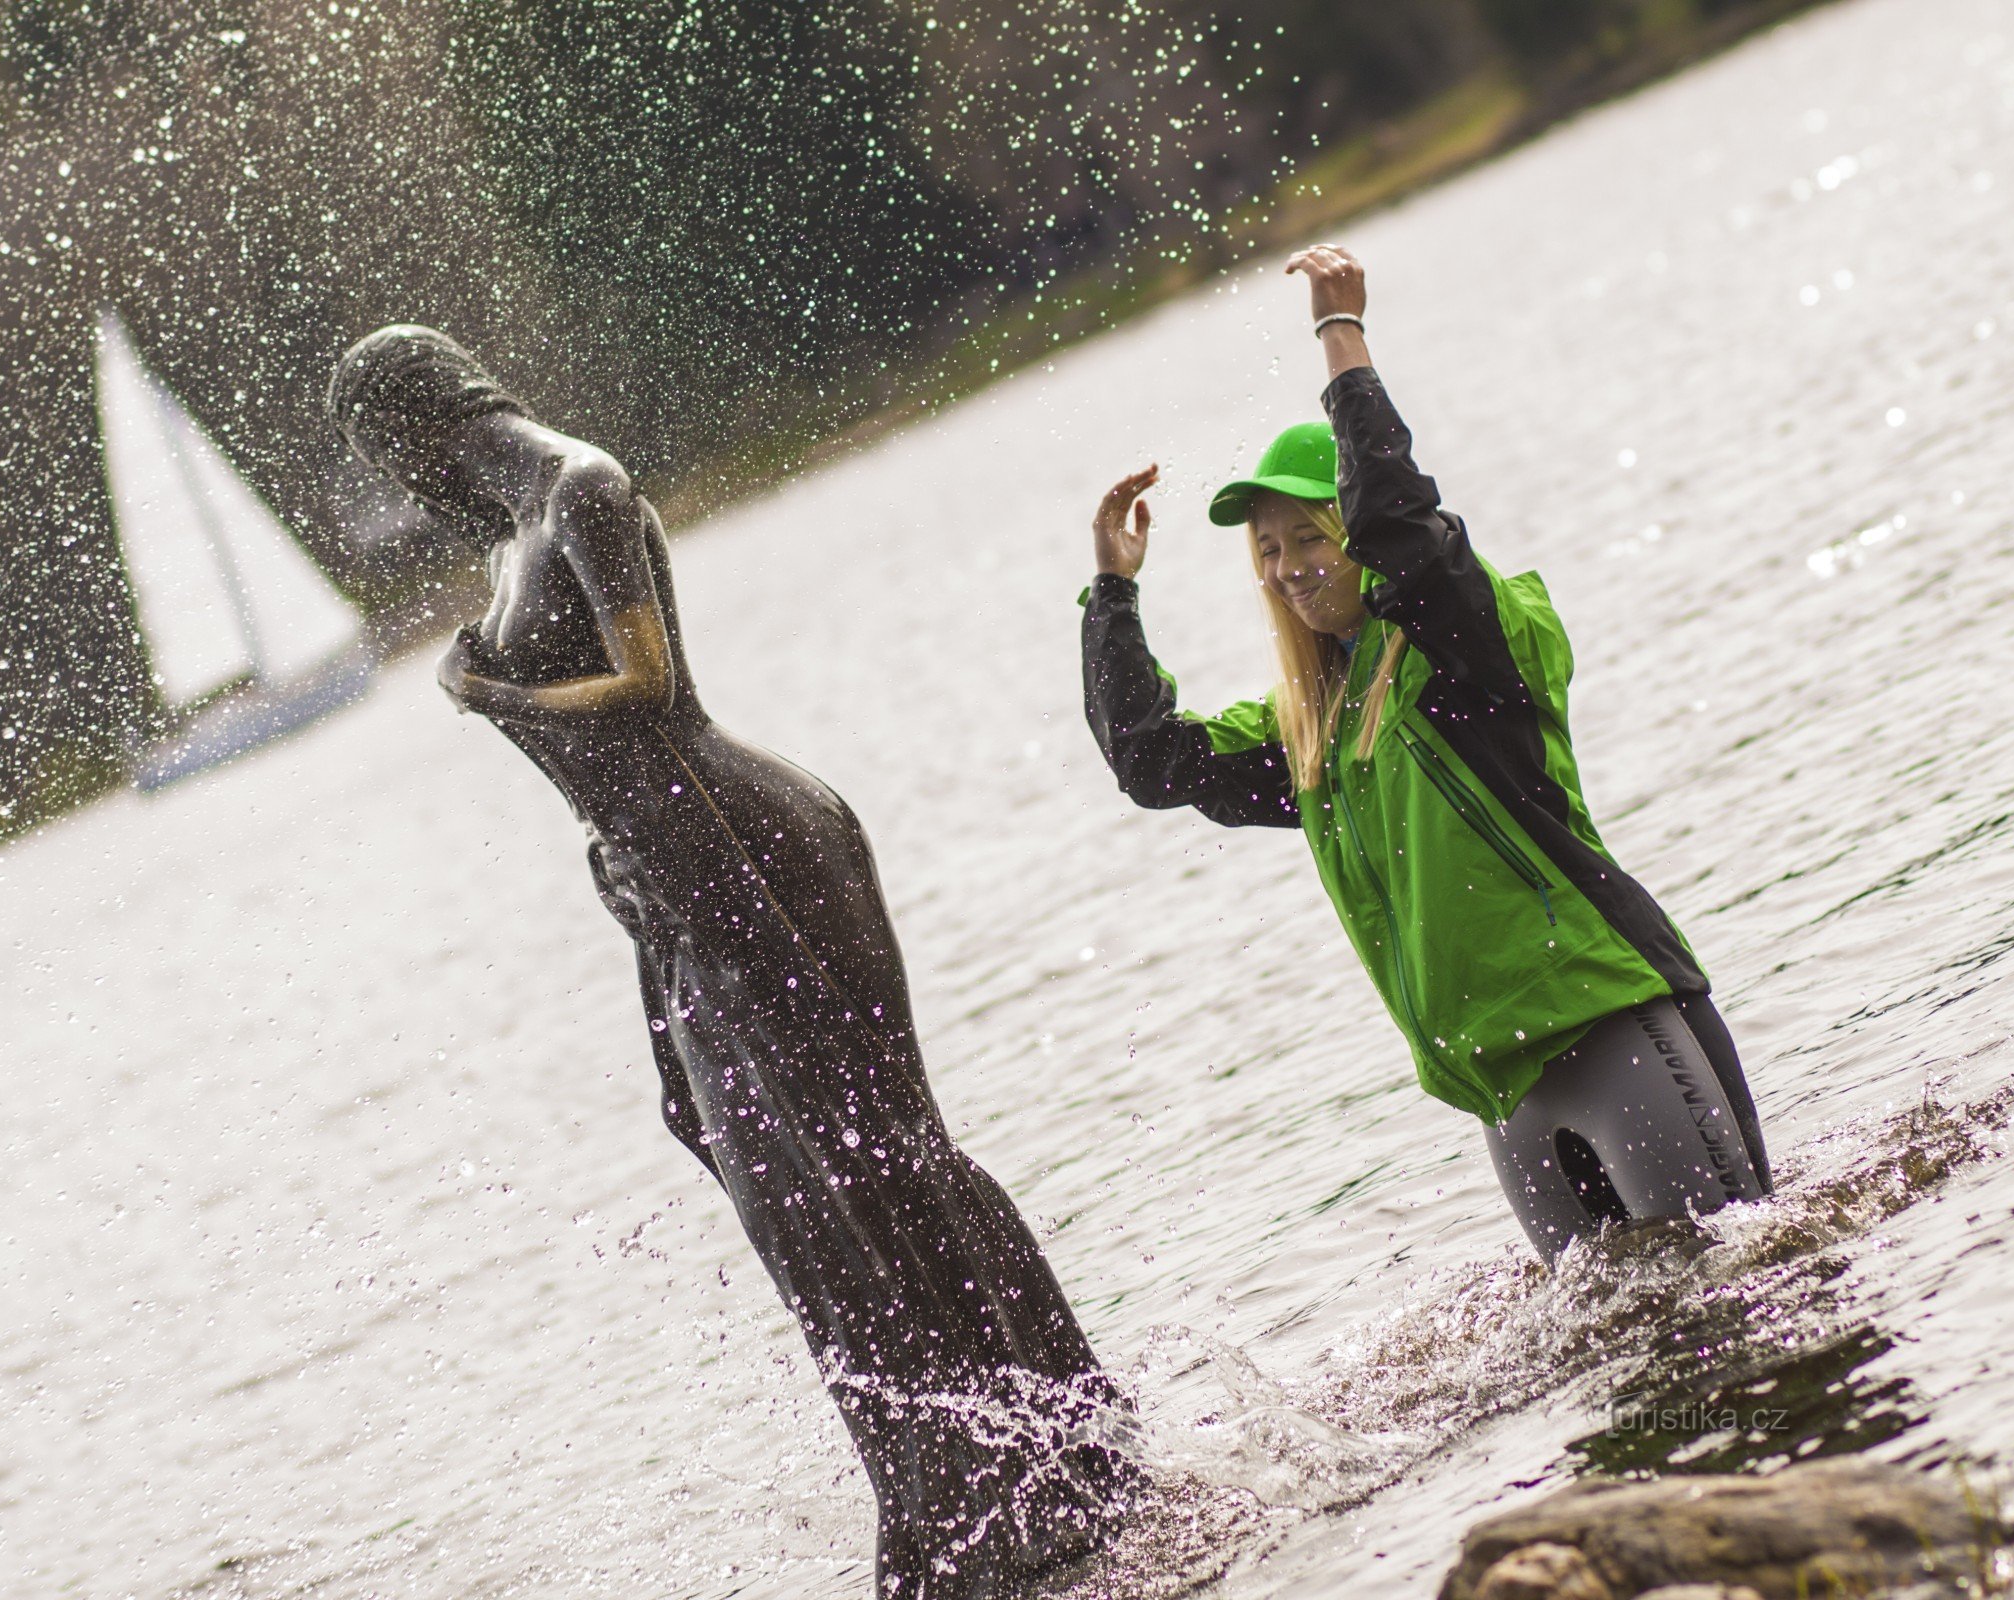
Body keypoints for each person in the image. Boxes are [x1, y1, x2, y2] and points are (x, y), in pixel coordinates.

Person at [330, 326, 1136, 1597]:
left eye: (382, 456)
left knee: (879, 1158)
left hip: (749, 854)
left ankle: (1069, 1461)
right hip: (663, 894)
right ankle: (950, 1501)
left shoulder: (584, 490)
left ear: (413, 428)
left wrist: (500, 700)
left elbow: (648, 689)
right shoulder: (503, 546)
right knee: (787, 1201)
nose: (398, 488)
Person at [1078, 245, 1773, 1262]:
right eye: (1267, 551)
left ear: (1350, 524)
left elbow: (1404, 532)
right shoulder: (1312, 730)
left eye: (1308, 536)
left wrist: (1340, 340)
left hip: (1612, 1027)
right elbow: (1154, 763)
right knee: (1615, 1366)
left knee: (1754, 1293)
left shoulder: (1472, 641)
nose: (1288, 568)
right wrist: (1114, 594)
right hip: (1500, 1095)